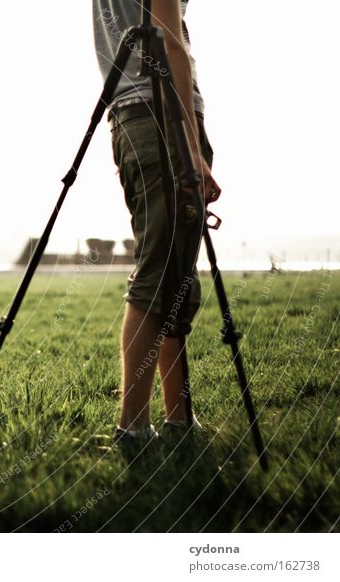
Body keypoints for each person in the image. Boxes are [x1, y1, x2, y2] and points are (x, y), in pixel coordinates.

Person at [91, 0, 221, 441]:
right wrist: (188, 140)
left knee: (174, 272)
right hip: (163, 111)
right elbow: (170, 40)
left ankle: (178, 420)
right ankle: (134, 428)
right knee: (161, 269)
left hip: (133, 111)